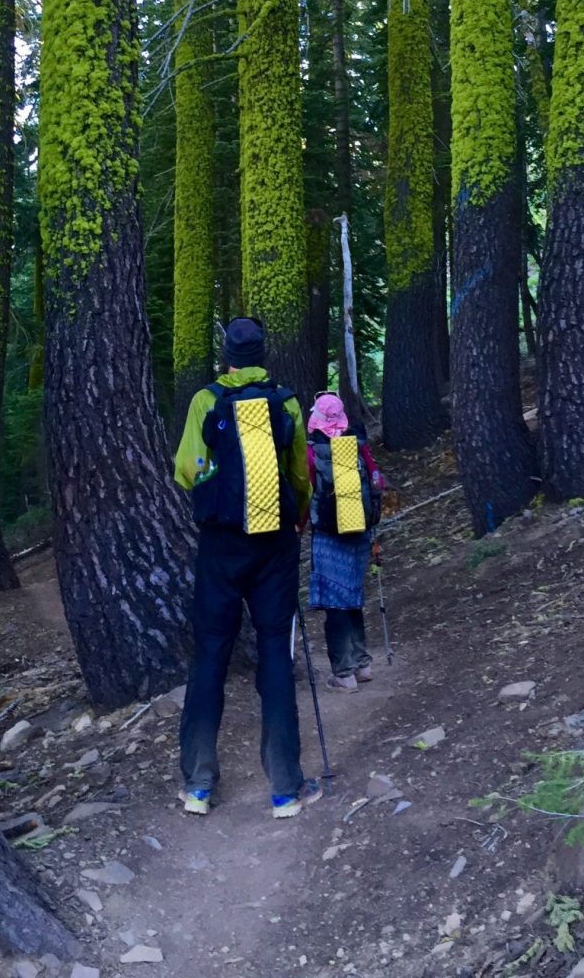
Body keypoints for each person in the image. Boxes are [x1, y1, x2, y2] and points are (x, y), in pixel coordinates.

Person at [173, 317, 323, 820]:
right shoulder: (285, 401)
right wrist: (296, 511)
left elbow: (187, 468)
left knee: (210, 658)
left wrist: (219, 487)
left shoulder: (205, 400)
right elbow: (301, 472)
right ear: (263, 353)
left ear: (227, 356)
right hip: (276, 545)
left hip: (221, 545)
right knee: (276, 655)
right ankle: (285, 789)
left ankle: (197, 785)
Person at [306, 391, 385, 691]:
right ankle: (363, 664)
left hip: (328, 536)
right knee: (352, 596)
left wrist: (299, 524)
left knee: (334, 603)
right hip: (359, 531)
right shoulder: (358, 444)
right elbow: (375, 478)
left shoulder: (313, 449)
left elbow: (306, 489)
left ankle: (343, 672)